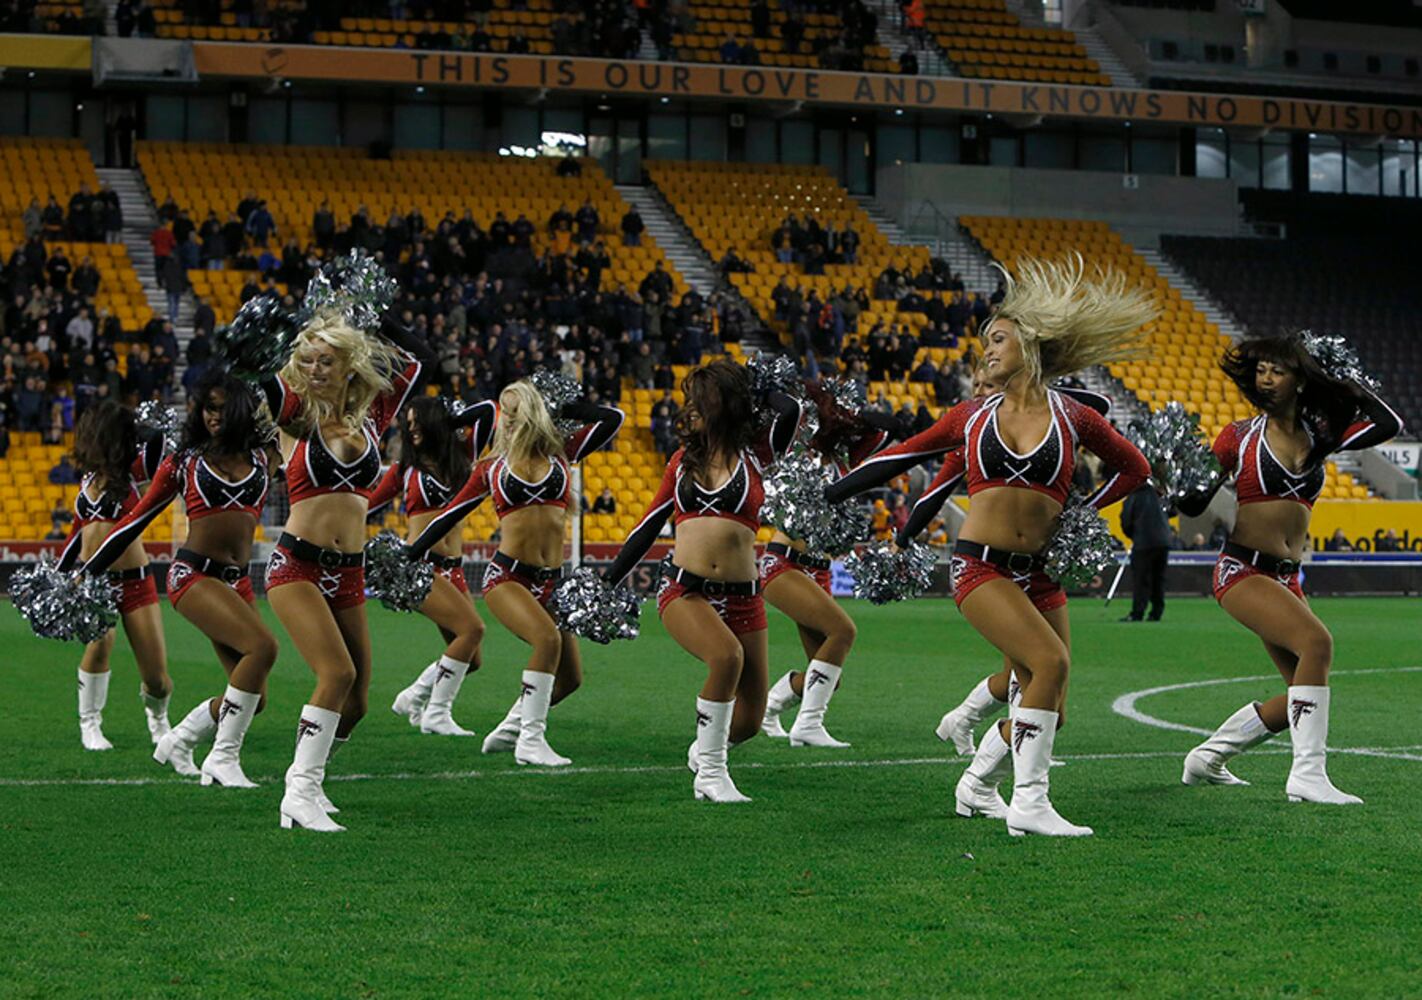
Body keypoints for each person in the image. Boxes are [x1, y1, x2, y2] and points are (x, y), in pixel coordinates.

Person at [828, 257, 1154, 836]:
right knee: (1050, 664)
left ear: (1030, 342)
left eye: (998, 340)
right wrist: (831, 493)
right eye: (986, 345)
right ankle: (1030, 803)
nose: (988, 353)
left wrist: (1082, 510)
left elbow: (1136, 469)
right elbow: (900, 457)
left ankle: (977, 785)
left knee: (1053, 704)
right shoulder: (971, 417)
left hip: (1042, 574)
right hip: (982, 568)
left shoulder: (1074, 416)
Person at [1177, 335, 1401, 804]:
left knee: (1302, 688)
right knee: (1318, 643)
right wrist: (1177, 485)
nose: (1265, 379)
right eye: (1260, 370)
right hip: (1243, 570)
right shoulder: (1239, 437)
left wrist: (1342, 384)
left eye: (1277, 371)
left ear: (1300, 380)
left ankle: (1208, 757)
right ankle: (1308, 775)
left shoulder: (1320, 436)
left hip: (1284, 578)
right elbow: (1195, 503)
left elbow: (1388, 423)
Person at [257, 309, 432, 832]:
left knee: (356, 702)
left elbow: (419, 360)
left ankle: (310, 778)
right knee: (337, 674)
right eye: (307, 360)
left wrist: (376, 313)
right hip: (298, 565)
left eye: (326, 361)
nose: (314, 369)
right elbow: (265, 381)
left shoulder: (372, 417)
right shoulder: (294, 415)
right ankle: (298, 793)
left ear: (348, 366)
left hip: (351, 572)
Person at [604, 359, 803, 802]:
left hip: (744, 598)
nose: (692, 408)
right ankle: (711, 775)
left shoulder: (758, 455)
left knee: (749, 720)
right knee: (726, 657)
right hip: (685, 589)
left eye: (702, 399)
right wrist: (609, 580)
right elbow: (648, 525)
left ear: (726, 403)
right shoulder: (682, 462)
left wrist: (756, 387)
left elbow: (790, 409)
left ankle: (705, 748)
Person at [895, 367, 1113, 761]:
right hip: (991, 568)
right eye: (975, 385)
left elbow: (1100, 406)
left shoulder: (1046, 423)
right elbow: (934, 493)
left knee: (1033, 686)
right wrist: (903, 538)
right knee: (1037, 673)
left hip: (1039, 569)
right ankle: (1007, 761)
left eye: (989, 385)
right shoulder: (975, 437)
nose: (979, 392)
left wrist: (1039, 392)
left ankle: (966, 721)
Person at [407, 382, 624, 766]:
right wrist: (410, 554)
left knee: (570, 680)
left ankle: (509, 729)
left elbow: (612, 419)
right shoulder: (491, 468)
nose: (505, 420)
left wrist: (561, 407)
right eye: (504, 413)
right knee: (547, 640)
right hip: (508, 578)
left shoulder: (562, 453)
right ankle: (530, 741)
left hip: (552, 583)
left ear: (531, 413)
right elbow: (448, 516)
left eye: (513, 412)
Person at [82, 371, 280, 786]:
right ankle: (223, 758)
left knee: (254, 697)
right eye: (208, 407)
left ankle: (180, 740)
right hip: (194, 576)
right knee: (263, 647)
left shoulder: (265, 456)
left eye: (223, 408)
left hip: (238, 583)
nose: (213, 416)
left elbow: (291, 404)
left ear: (241, 410)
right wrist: (86, 572)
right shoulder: (184, 462)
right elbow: (132, 523)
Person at [759, 380, 903, 747]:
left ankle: (769, 708)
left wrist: (849, 415)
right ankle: (808, 725)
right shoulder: (794, 449)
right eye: (831, 406)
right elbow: (788, 411)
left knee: (826, 675)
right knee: (843, 632)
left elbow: (889, 428)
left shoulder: (846, 459)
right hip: (785, 563)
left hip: (819, 570)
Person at [369, 396, 497, 737]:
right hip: (419, 566)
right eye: (407, 423)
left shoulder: (463, 456)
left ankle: (413, 697)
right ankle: (436, 712)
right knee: (473, 630)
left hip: (454, 569)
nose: (411, 429)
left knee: (472, 658)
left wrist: (447, 421)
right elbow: (368, 506)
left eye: (417, 421)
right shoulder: (404, 469)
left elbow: (487, 411)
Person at [57, 401, 172, 751]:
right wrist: (60, 575)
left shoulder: (134, 471)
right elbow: (78, 533)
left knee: (156, 678)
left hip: (135, 581)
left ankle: (158, 719)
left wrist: (141, 426)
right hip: (95, 584)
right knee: (100, 644)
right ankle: (90, 723)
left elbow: (156, 444)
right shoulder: (87, 479)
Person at [1119, 480, 1171, 622]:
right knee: (1158, 578)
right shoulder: (1159, 494)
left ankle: (1138, 612)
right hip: (1163, 541)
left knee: (1141, 579)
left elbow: (1126, 520)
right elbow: (1172, 511)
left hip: (1143, 541)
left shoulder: (1134, 496)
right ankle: (1156, 612)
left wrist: (1134, 535)